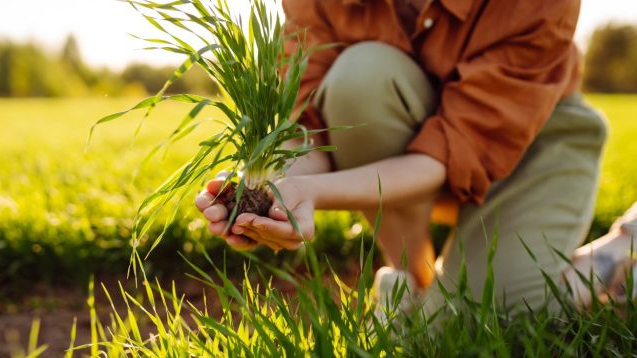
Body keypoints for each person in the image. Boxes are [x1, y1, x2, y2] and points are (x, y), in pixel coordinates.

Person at [194, 0, 635, 314]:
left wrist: (311, 192)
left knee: (491, 313)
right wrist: (277, 185)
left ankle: (622, 250)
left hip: (534, 141)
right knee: (360, 77)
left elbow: (451, 152)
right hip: (414, 147)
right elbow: (311, 127)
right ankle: (417, 279)